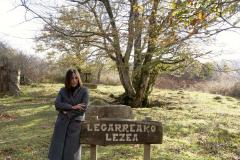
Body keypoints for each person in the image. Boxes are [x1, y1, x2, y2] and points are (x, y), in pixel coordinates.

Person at [48, 68, 89, 160]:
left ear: (78, 78)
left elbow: (83, 108)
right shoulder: (63, 90)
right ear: (67, 79)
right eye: (71, 78)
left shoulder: (84, 91)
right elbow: (57, 104)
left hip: (75, 124)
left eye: (76, 78)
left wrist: (65, 111)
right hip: (61, 123)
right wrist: (72, 107)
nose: (74, 80)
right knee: (58, 150)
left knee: (71, 152)